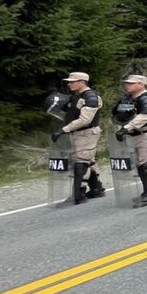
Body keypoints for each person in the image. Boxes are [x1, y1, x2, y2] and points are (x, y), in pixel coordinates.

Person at [52, 72, 106, 204]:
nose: (69, 84)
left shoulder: (91, 97)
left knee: (81, 162)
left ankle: (78, 194)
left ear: (82, 82)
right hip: (78, 133)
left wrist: (63, 130)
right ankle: (96, 189)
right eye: (69, 81)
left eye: (72, 81)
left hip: (86, 132)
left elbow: (85, 120)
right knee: (88, 160)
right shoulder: (76, 96)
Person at [114, 75, 147, 208]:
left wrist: (126, 129)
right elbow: (120, 116)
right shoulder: (128, 100)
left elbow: (145, 117)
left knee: (146, 164)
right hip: (133, 136)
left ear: (141, 84)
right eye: (127, 83)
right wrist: (122, 128)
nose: (127, 85)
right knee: (140, 165)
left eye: (131, 83)